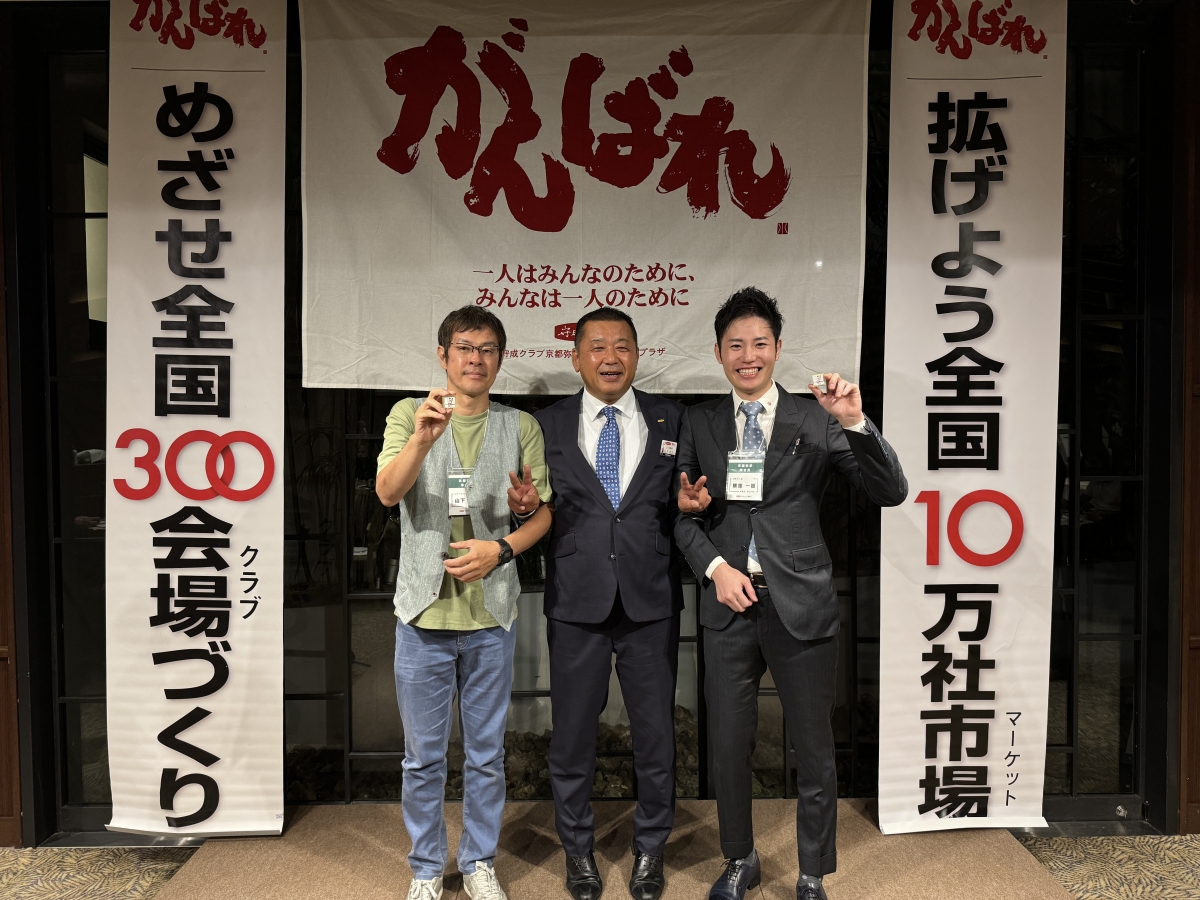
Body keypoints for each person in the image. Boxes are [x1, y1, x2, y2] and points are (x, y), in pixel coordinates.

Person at [673, 288, 907, 900]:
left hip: (800, 600)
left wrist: (853, 420)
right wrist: (715, 567)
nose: (747, 356)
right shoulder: (699, 422)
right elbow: (681, 518)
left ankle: (811, 873)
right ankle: (739, 859)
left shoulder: (816, 418)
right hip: (729, 605)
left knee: (813, 745)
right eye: (735, 346)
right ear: (718, 354)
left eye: (759, 344)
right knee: (728, 746)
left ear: (778, 348)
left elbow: (890, 491)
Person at [376, 306, 553, 900]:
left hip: (490, 616)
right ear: (443, 355)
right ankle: (426, 868)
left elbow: (541, 514)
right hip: (422, 615)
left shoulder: (519, 425)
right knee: (422, 757)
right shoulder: (410, 414)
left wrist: (508, 537)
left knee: (486, 755)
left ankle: (478, 861)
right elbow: (387, 493)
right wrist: (422, 441)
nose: (475, 359)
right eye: (464, 348)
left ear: (500, 359)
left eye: (487, 350)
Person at [526, 308, 694, 900]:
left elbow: (683, 498)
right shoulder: (546, 424)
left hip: (651, 599)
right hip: (577, 601)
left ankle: (650, 850)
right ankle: (578, 851)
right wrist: (524, 509)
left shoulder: (671, 418)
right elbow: (535, 506)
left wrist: (693, 506)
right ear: (575, 359)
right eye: (597, 346)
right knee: (572, 736)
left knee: (655, 736)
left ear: (638, 355)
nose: (610, 357)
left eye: (622, 345)